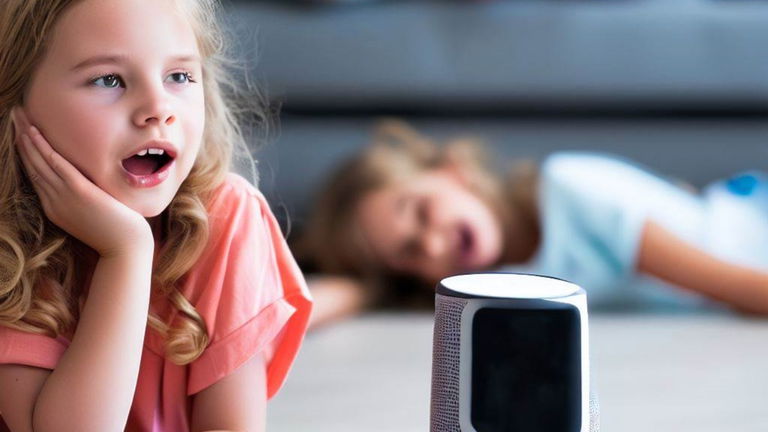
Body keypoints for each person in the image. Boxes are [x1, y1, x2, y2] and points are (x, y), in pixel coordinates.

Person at [0, 1, 312, 431]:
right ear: (17, 107)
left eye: (179, 76)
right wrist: (125, 253)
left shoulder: (227, 215)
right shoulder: (11, 239)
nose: (157, 108)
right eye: (108, 79)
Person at [299, 120, 768, 328]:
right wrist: (364, 285)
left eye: (422, 211)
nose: (435, 241)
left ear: (451, 171)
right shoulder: (497, 286)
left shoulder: (568, 186)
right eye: (411, 252)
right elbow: (329, 303)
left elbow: (728, 286)